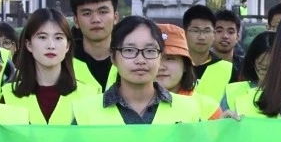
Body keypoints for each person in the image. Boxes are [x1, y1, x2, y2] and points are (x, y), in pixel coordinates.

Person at [71, 16, 205, 125]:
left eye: (150, 51)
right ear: (113, 57)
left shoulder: (189, 110)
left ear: (160, 56)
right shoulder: (85, 112)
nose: (140, 60)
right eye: (129, 50)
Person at [2, 9, 95, 125]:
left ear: (67, 45)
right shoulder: (8, 96)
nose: (51, 45)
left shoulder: (90, 96)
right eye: (42, 37)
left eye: (58, 38)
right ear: (29, 44)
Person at [158, 23, 222, 118]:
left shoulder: (208, 109)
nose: (160, 67)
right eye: (155, 57)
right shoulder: (136, 105)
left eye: (170, 59)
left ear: (185, 65)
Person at [70, 0, 120, 92]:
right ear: (76, 21)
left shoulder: (131, 57)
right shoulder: (63, 61)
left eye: (103, 12)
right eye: (87, 13)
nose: (96, 19)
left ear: (115, 17)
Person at [182, 5, 233, 104]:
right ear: (184, 33)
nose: (202, 37)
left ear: (214, 34)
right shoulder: (174, 67)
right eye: (195, 31)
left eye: (207, 31)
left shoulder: (228, 70)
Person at [227, 30, 276, 108]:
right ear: (252, 63)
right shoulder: (232, 92)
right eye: (263, 68)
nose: (268, 74)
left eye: (273, 68)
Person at [213, 9, 245, 75]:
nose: (225, 36)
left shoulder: (246, 67)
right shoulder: (199, 65)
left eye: (230, 32)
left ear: (237, 37)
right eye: (219, 31)